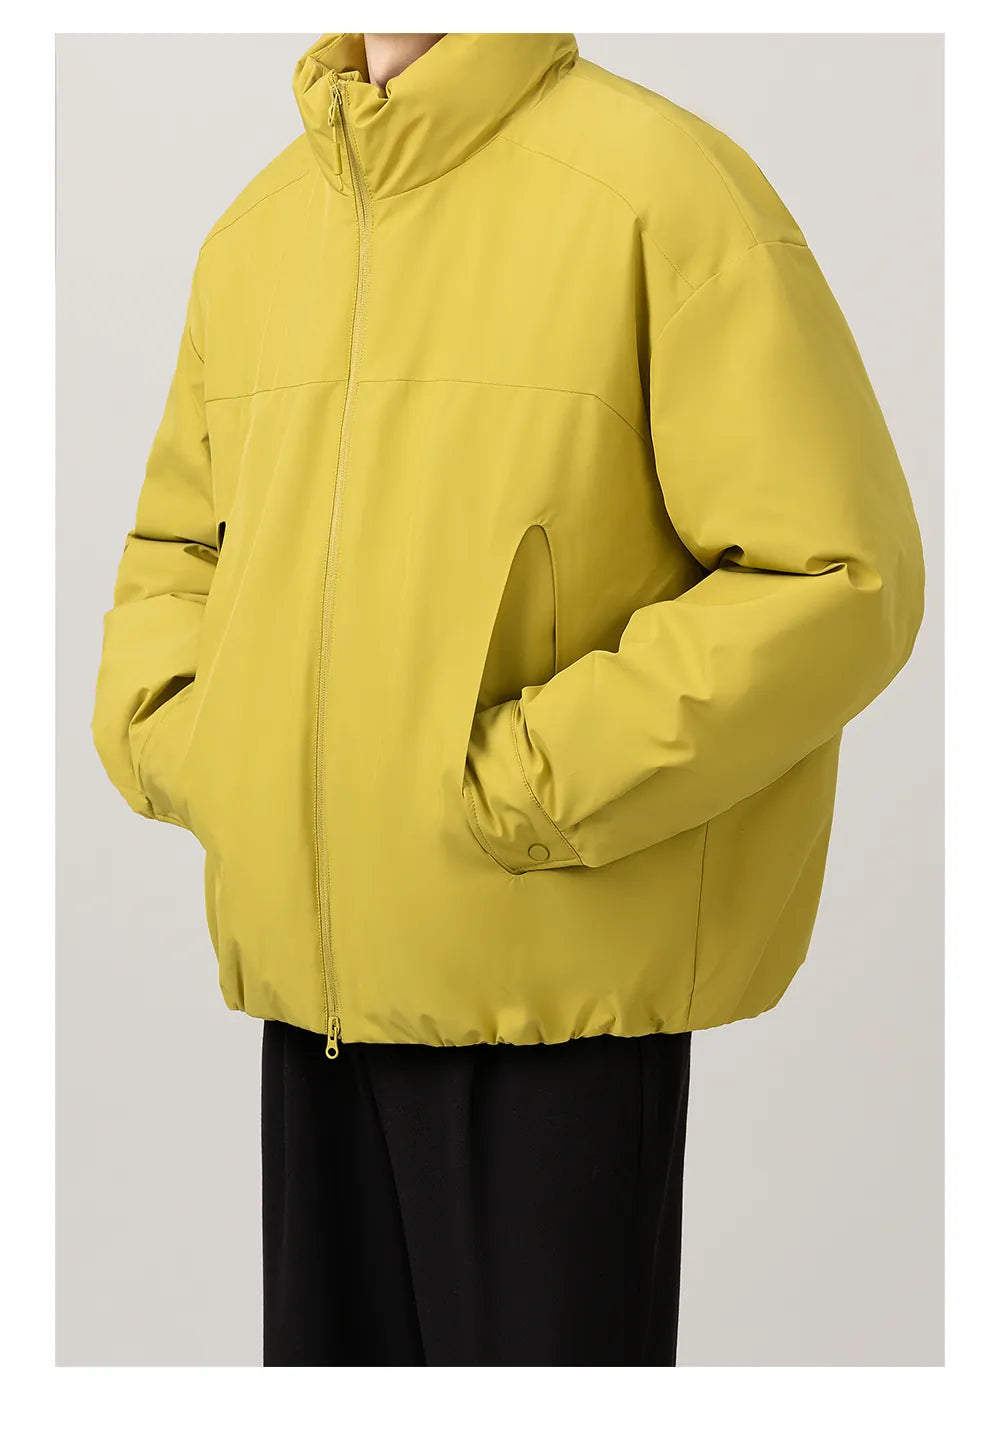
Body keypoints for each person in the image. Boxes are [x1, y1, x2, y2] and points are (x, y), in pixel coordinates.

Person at [91, 32, 925, 1366]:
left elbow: (836, 577)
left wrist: (525, 783)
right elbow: (178, 558)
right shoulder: (258, 233)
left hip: (551, 1005)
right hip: (312, 1008)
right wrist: (233, 763)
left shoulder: (658, 187)